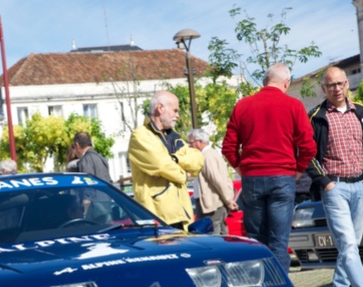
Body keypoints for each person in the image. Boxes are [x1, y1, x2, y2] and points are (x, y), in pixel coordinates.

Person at [221, 63, 317, 271]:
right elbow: (308, 147)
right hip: (283, 176)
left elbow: (228, 147)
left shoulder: (243, 105)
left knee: (256, 241)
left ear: (265, 82)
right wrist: (298, 171)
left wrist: (241, 169)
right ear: (286, 83)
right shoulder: (293, 105)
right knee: (279, 243)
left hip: (252, 178)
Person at [307, 66, 363, 287]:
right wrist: (325, 183)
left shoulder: (361, 113)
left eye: (340, 84)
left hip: (360, 186)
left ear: (347, 84)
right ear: (323, 89)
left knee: (352, 242)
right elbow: (307, 154)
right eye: (331, 85)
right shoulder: (315, 116)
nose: (336, 89)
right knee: (346, 242)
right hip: (334, 188)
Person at [128, 90, 204, 229]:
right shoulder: (140, 136)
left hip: (182, 216)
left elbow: (198, 159)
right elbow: (162, 165)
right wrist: (184, 174)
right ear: (160, 108)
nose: (178, 115)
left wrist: (174, 159)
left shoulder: (174, 137)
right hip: (157, 219)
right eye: (175, 110)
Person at [187, 129, 238, 234]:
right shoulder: (210, 155)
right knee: (220, 236)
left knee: (212, 238)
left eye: (191, 143)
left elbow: (218, 181)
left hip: (212, 205)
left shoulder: (207, 156)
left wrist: (228, 201)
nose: (189, 146)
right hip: (212, 204)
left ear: (200, 141)